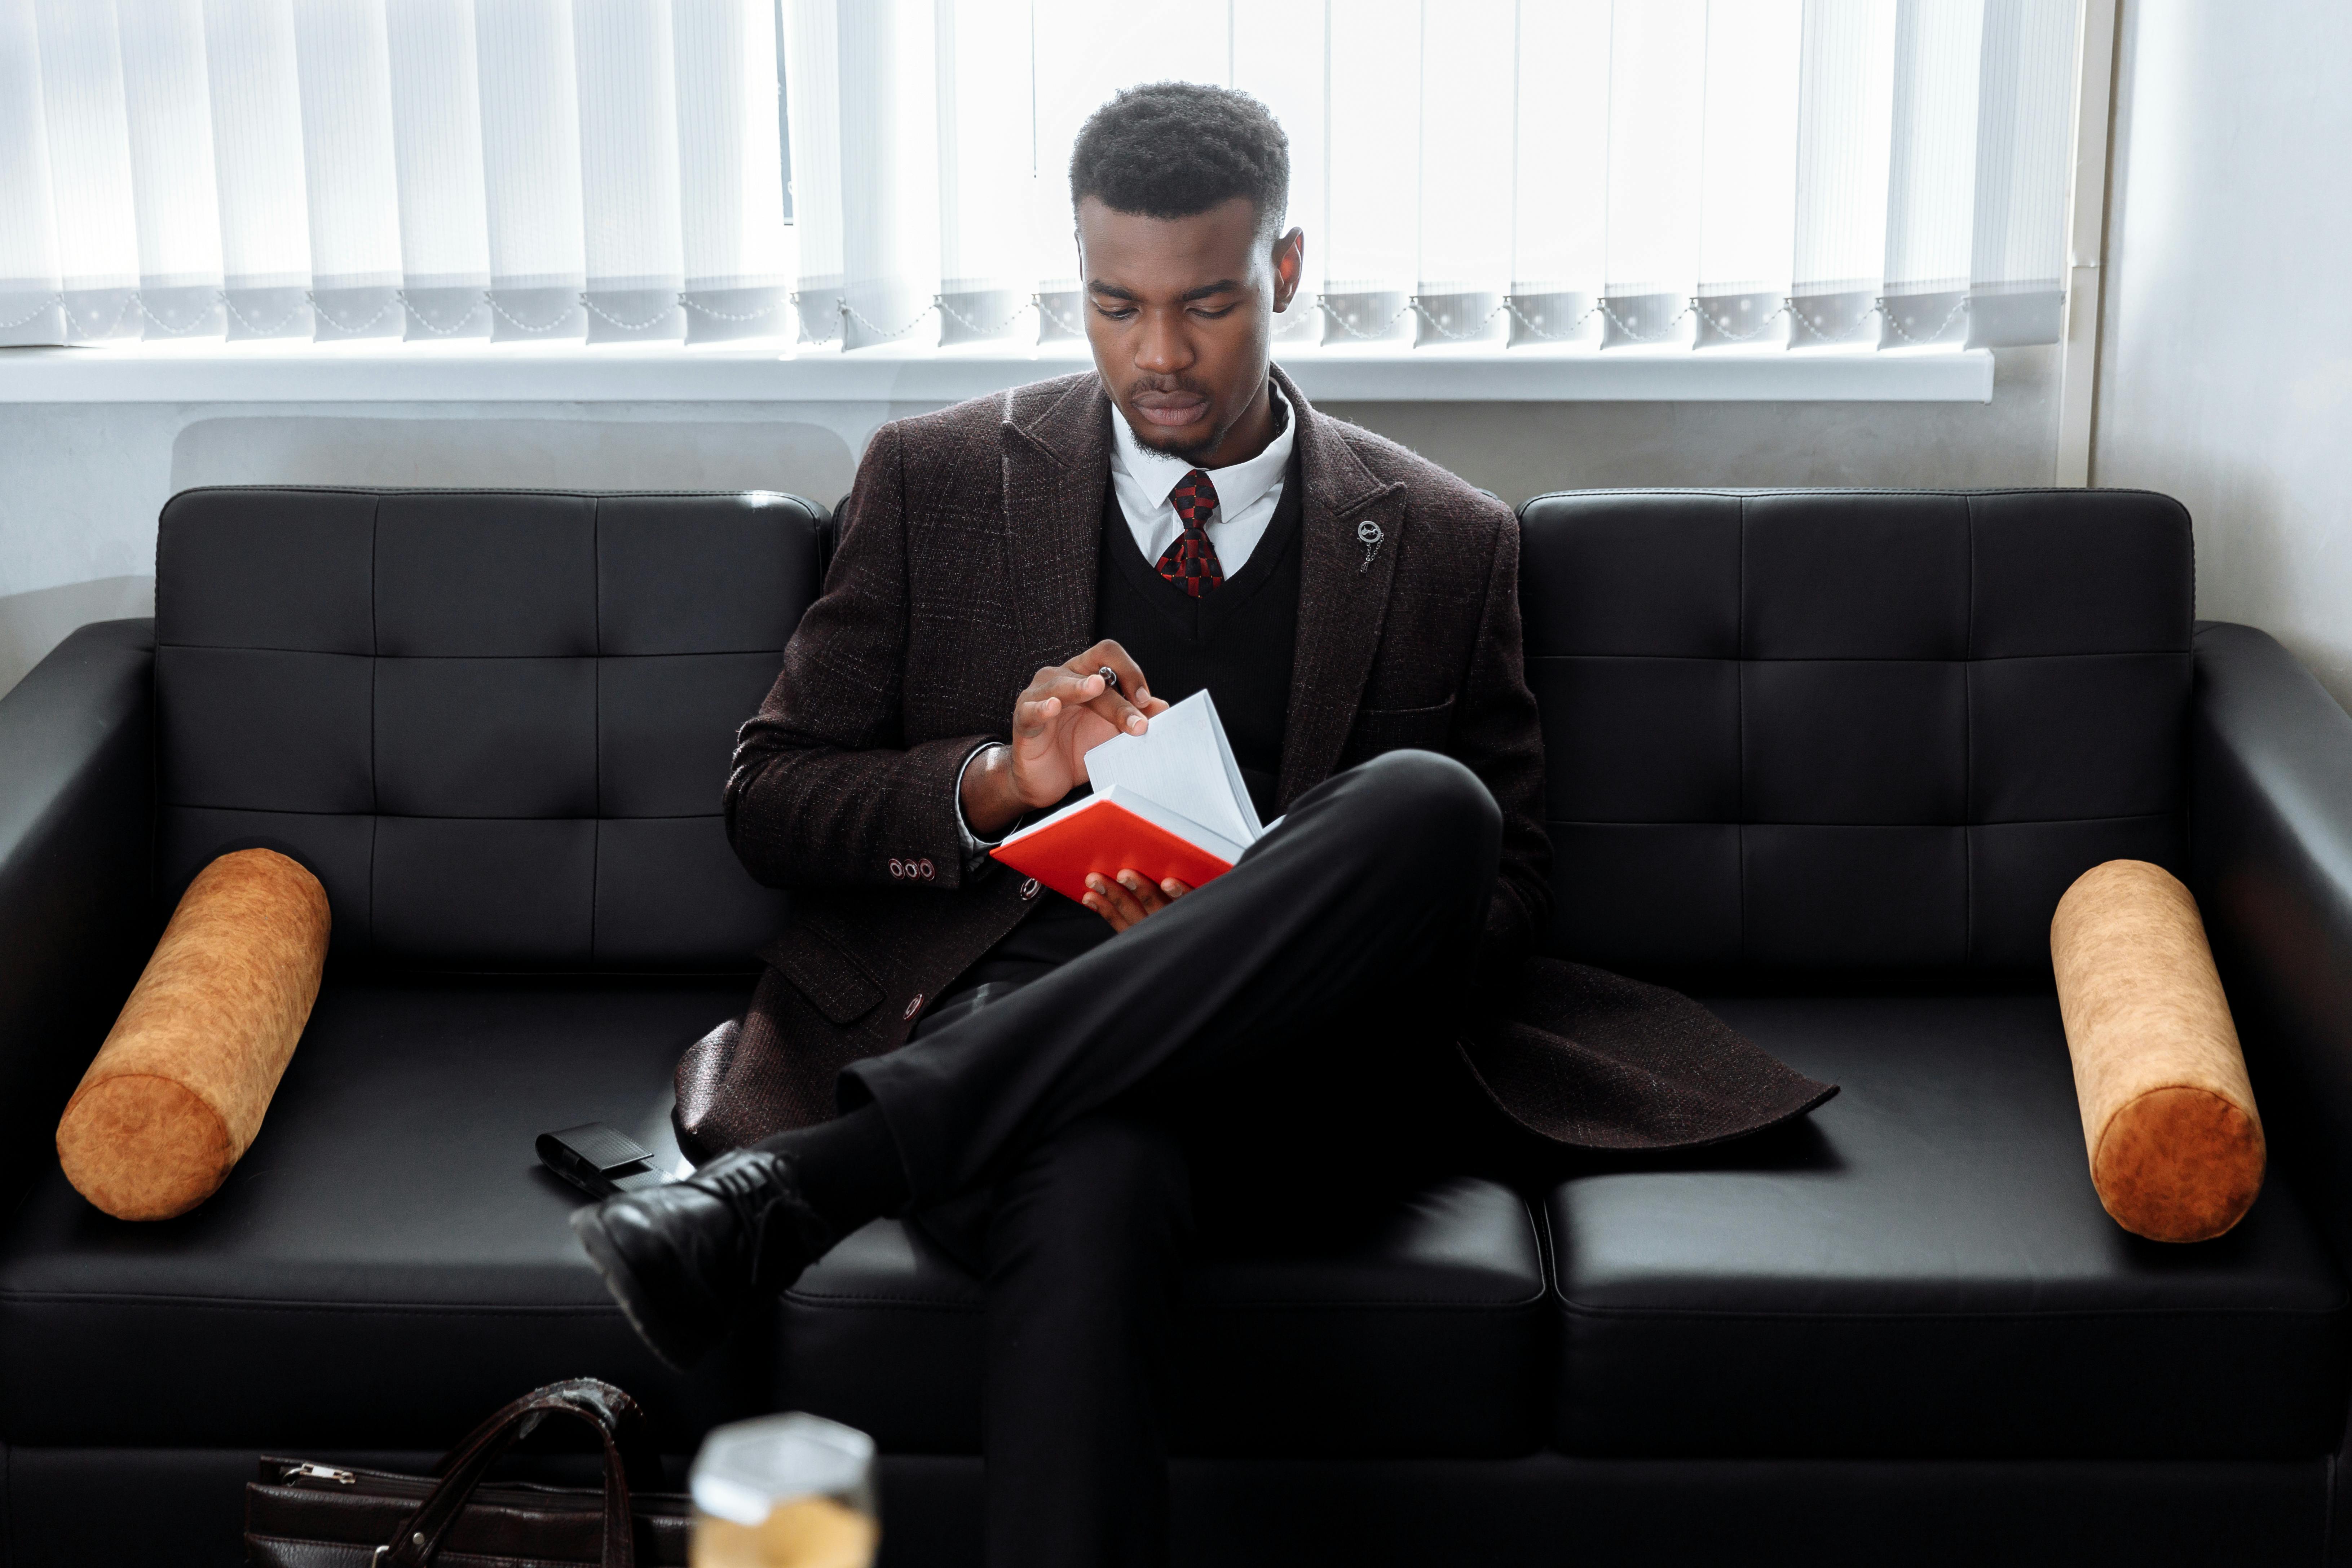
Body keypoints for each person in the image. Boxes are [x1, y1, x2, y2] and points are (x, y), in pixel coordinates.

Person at [574, 81, 1830, 1568]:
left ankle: (805, 1185)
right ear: (1080, 279)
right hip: (1000, 1009)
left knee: (1431, 803)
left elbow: (1506, 886)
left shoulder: (1441, 535)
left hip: (1294, 1064)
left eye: (1208, 305)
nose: (1157, 355)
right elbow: (769, 794)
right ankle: (850, 1161)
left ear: (1285, 272)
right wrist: (999, 778)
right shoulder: (928, 479)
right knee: (1094, 1159)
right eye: (1115, 304)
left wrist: (1259, 904)